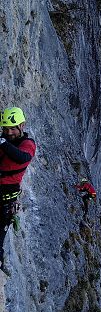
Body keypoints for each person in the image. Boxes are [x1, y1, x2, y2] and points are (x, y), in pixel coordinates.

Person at [0, 107, 36, 268]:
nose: (8, 132)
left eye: (12, 128)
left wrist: (2, 142)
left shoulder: (27, 144)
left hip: (6, 198)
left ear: (22, 126)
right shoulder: (4, 139)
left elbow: (21, 158)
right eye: (5, 129)